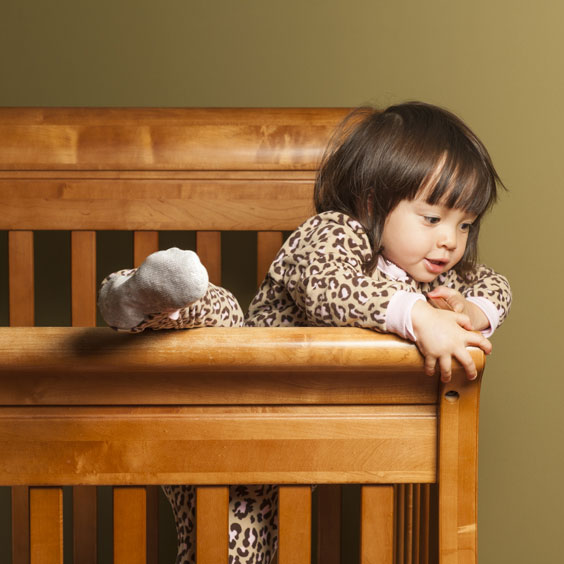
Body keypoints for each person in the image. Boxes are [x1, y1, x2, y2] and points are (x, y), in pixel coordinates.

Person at [98, 101, 512, 564]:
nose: (451, 240)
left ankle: (155, 300)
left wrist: (469, 313)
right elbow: (329, 290)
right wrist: (419, 317)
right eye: (433, 218)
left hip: (286, 444)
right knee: (220, 313)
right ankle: (147, 296)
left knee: (245, 552)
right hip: (228, 402)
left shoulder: (431, 277)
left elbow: (494, 283)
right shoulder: (334, 233)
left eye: (465, 224)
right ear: (373, 202)